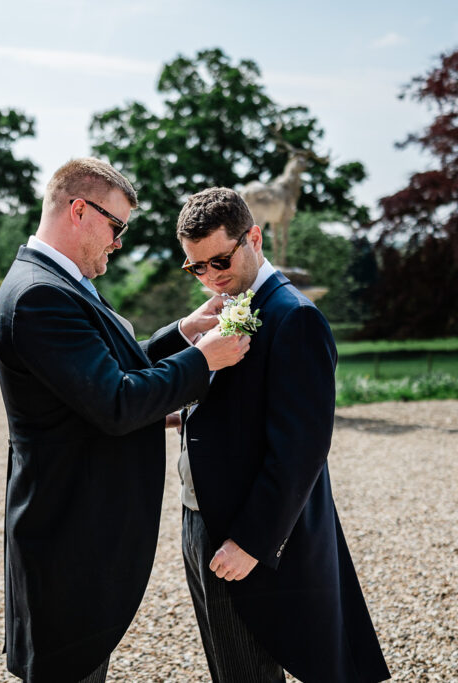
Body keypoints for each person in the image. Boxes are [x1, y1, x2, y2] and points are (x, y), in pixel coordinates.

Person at [0, 158, 250, 683]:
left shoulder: (58, 280)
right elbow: (115, 401)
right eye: (116, 226)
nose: (117, 242)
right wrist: (203, 359)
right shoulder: (40, 294)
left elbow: (98, 371)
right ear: (79, 210)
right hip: (69, 537)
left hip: (76, 530)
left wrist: (181, 332)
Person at [175, 187, 390, 682]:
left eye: (220, 260)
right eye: (196, 267)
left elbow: (302, 447)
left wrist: (251, 541)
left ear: (254, 238)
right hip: (200, 519)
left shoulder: (296, 317)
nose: (211, 277)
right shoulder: (228, 306)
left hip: (246, 535)